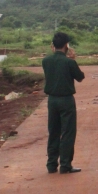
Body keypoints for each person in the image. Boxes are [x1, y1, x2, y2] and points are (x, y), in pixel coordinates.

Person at [42, 32, 85, 174]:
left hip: (52, 100)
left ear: (53, 46)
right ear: (67, 45)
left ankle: (51, 164)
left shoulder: (46, 61)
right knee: (67, 132)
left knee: (53, 131)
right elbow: (80, 77)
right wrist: (73, 60)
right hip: (66, 100)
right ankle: (65, 165)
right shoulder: (69, 62)